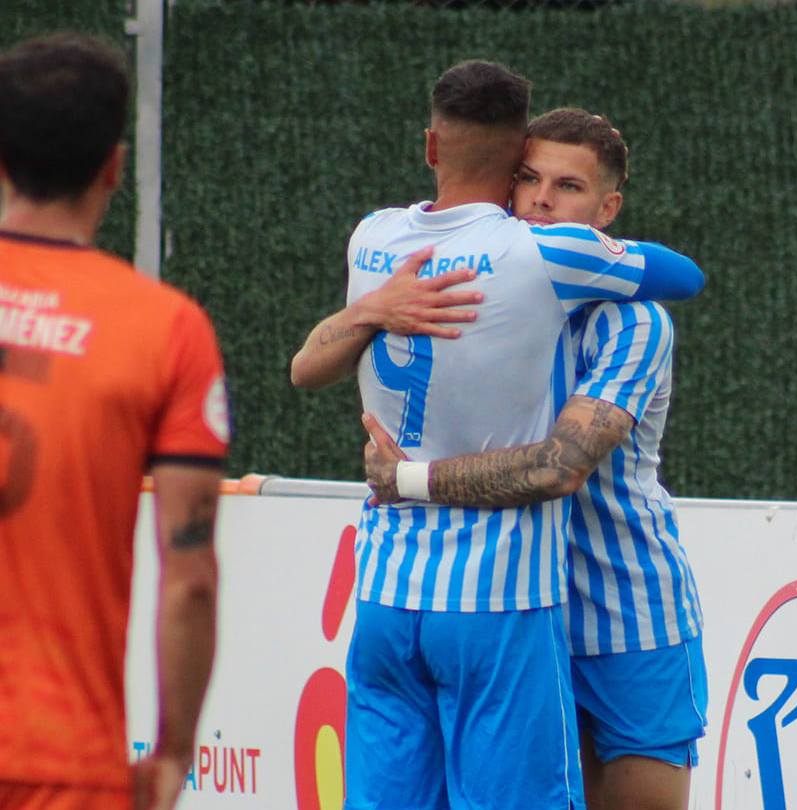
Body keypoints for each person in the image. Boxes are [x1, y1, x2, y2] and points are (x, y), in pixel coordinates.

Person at [291, 63, 703, 810]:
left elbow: (560, 466)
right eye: (529, 178)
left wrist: (406, 479)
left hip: (621, 609)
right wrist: (371, 311)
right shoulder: (490, 275)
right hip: (510, 603)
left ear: (608, 209)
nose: (543, 199)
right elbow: (309, 366)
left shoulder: (634, 320)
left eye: (568, 188)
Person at [0, 33, 228, 810]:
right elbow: (189, 578)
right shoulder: (165, 327)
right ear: (115, 166)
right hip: (62, 757)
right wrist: (171, 752)